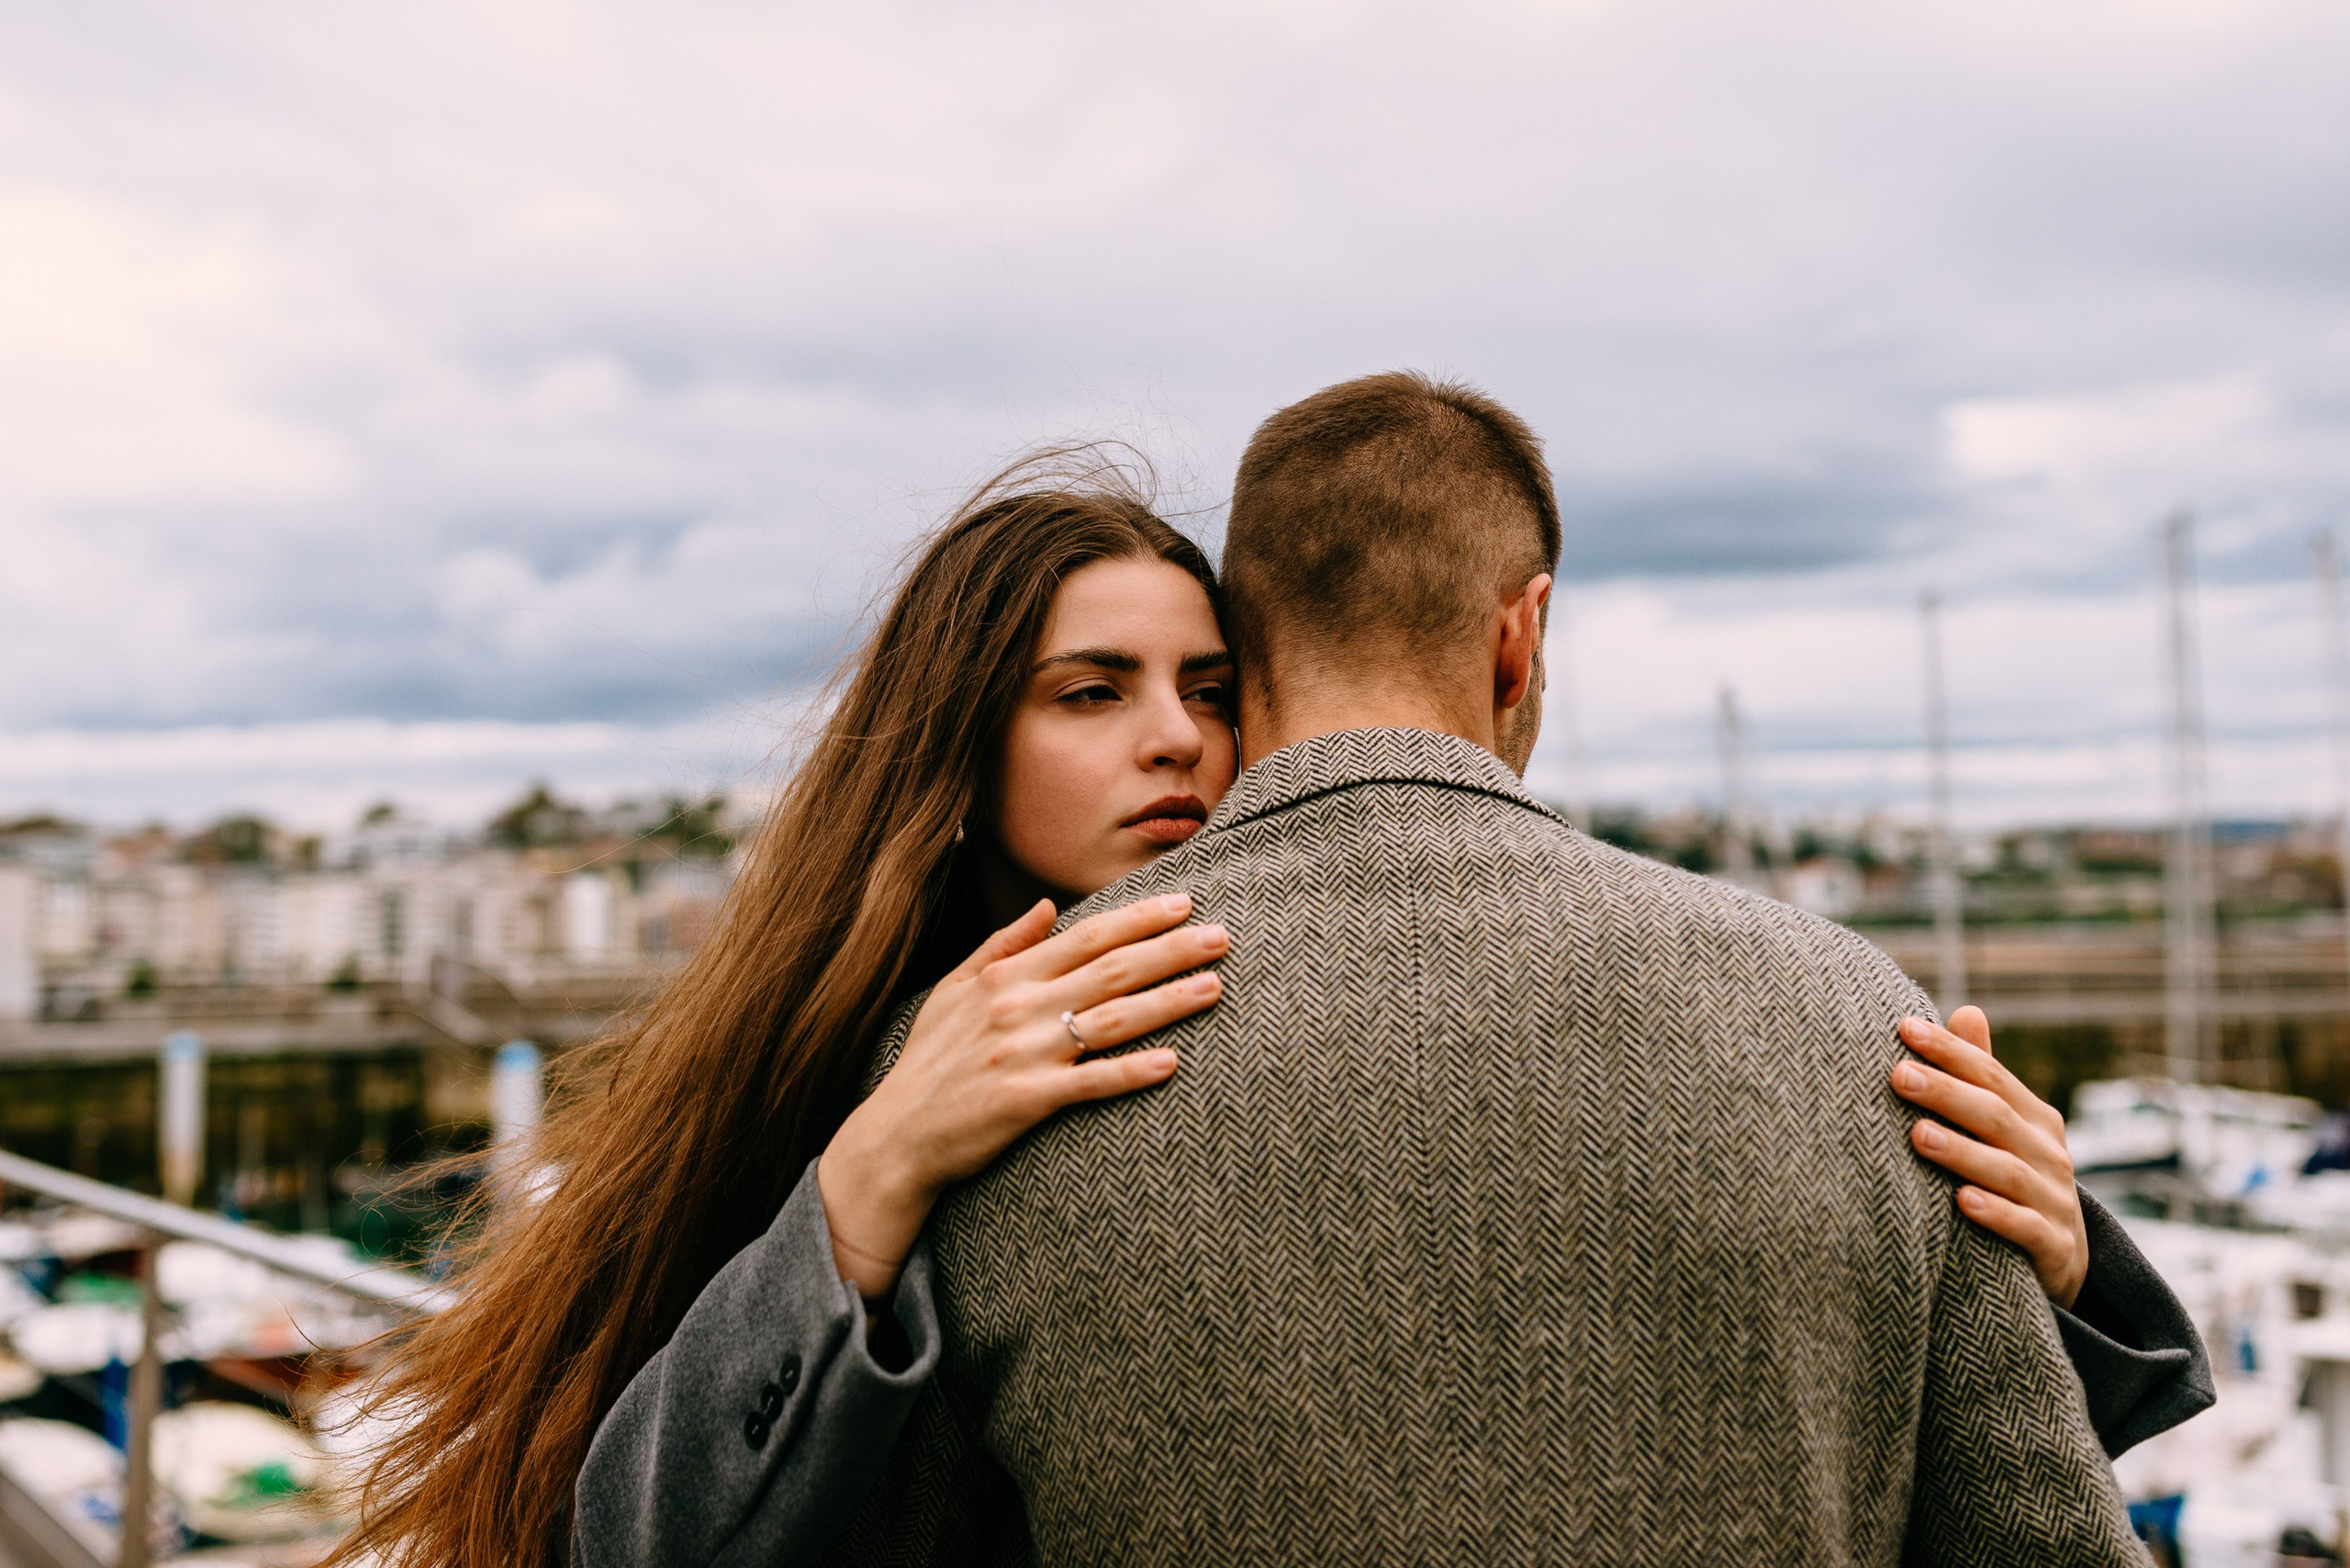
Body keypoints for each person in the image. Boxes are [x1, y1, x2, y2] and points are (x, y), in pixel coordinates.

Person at [343, 446, 2202, 1568]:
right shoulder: (877, 1062)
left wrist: (2058, 1263)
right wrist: (860, 1183)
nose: (1170, 734)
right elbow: (641, 1532)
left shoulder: (1258, 1002)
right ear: (957, 739)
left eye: (1209, 683)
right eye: (1088, 688)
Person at [805, 375, 2166, 1566]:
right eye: (1092, 693)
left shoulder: (999, 1065)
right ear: (1522, 635)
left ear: (1252, 642)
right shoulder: (1853, 1019)